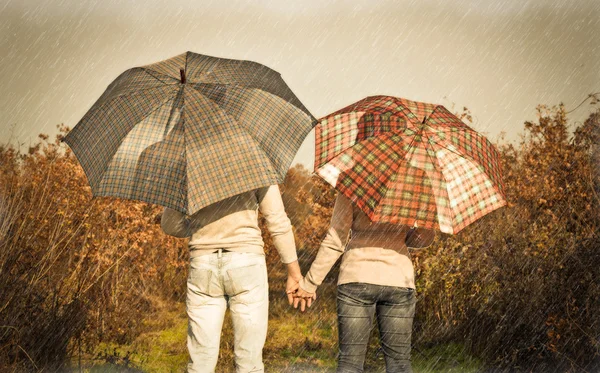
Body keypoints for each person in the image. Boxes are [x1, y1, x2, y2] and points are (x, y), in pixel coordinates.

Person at [161, 185, 302, 373]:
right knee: (249, 360)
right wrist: (294, 273)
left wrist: (197, 228)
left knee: (201, 361)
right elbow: (278, 221)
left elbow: (170, 224)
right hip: (247, 262)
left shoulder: (189, 167)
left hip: (203, 263)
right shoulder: (257, 163)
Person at [291, 193, 434, 373]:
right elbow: (422, 239)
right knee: (399, 363)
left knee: (350, 363)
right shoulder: (413, 187)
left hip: (356, 277)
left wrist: (310, 283)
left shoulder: (353, 181)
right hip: (398, 279)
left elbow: (336, 240)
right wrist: (407, 231)